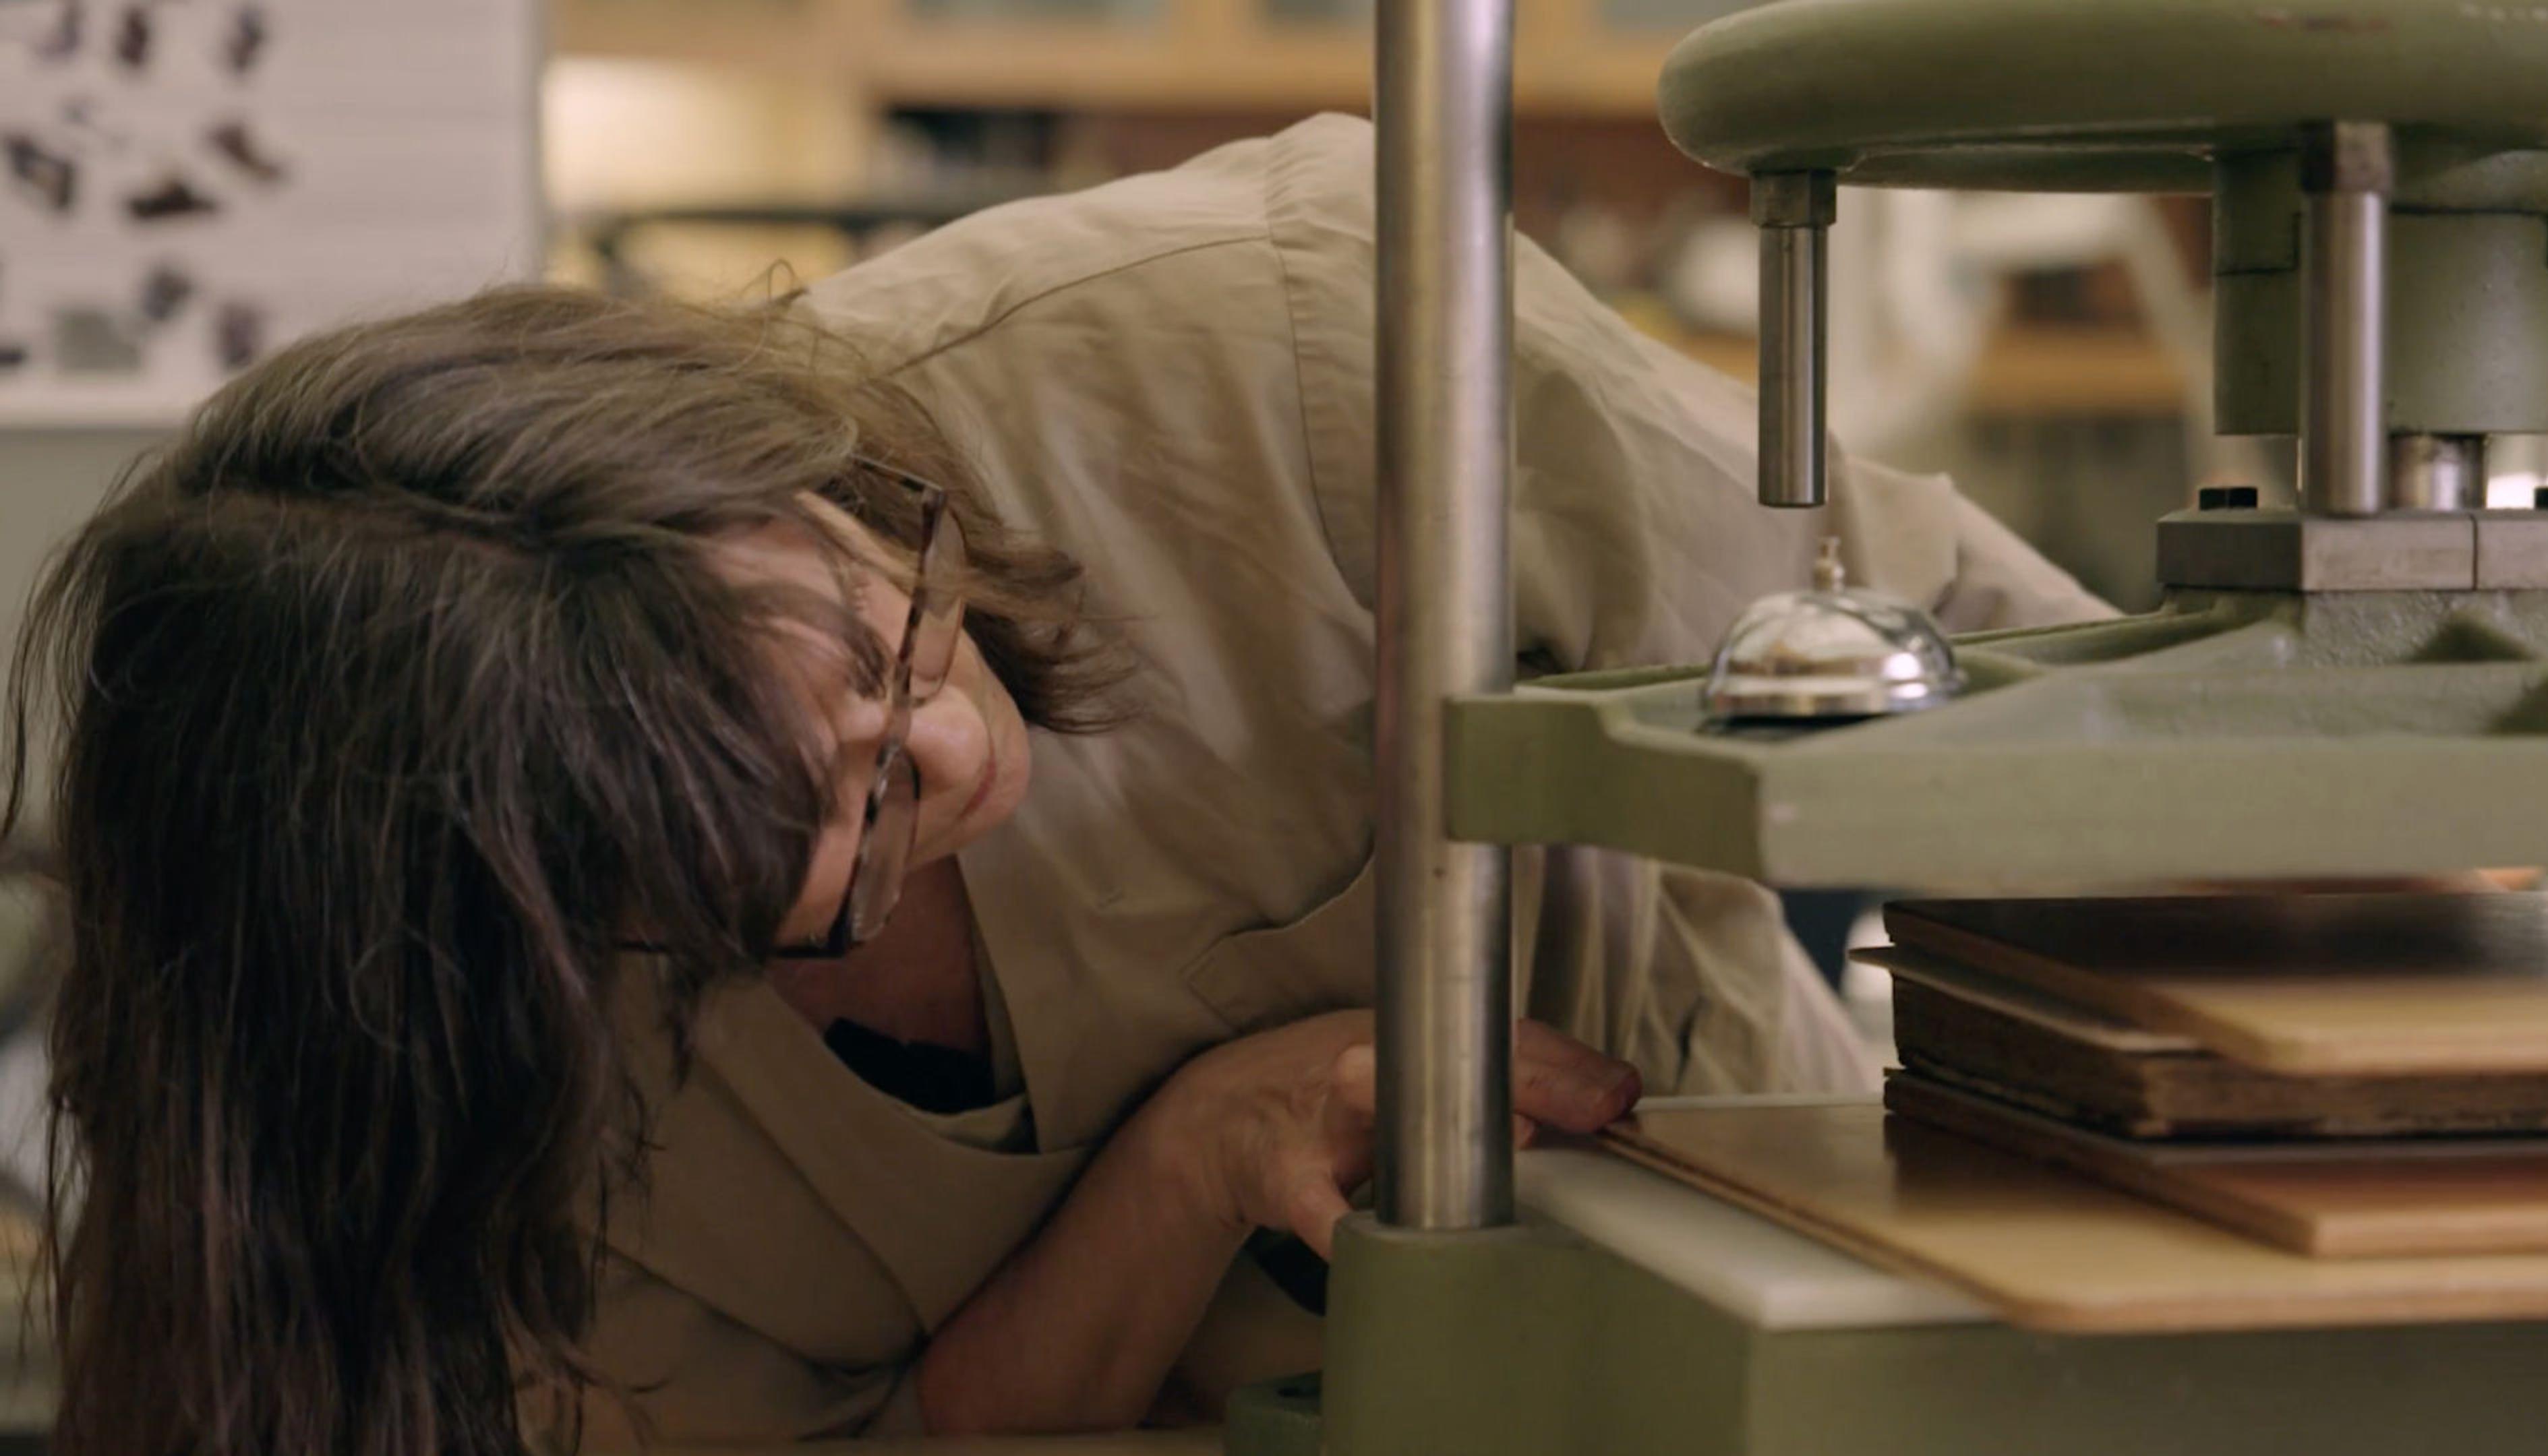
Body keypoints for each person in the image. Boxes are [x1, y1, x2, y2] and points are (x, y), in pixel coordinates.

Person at [2, 115, 2108, 1455]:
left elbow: (1984, 669)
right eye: (800, 847)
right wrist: (1203, 1147)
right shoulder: (496, 1118)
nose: (948, 753)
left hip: (1783, 1315)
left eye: (881, 630)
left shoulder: (1274, 345)